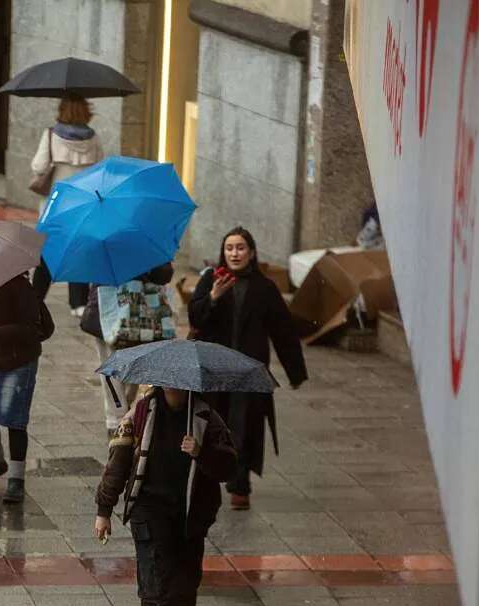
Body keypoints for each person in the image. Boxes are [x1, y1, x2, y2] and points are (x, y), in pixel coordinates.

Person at [94, 386, 237, 606]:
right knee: (156, 587)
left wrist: (201, 452)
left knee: (184, 587)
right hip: (149, 511)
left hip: (190, 517)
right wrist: (104, 510)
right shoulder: (139, 414)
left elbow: (229, 467)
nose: (173, 390)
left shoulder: (205, 417)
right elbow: (117, 461)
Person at [187, 226, 307, 510]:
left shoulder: (264, 288)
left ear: (251, 253)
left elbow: (283, 331)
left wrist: (295, 372)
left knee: (244, 427)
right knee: (214, 424)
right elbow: (195, 317)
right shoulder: (211, 279)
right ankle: (209, 476)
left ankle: (240, 485)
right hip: (215, 370)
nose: (234, 253)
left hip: (248, 372)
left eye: (240, 248)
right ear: (222, 252)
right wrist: (213, 297)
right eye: (229, 248)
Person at [0, 274, 54, 504]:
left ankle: (16, 479)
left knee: (15, 421)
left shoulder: (21, 287)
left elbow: (31, 330)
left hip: (19, 360)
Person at [29, 93, 104, 316]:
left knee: (48, 251)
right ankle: (78, 303)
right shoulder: (93, 138)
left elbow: (39, 166)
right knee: (79, 251)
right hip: (84, 204)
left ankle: (35, 298)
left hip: (56, 204)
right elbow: (100, 169)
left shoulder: (51, 135)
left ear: (62, 111)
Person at [80, 263, 177, 435]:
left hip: (141, 315)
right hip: (107, 311)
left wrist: (149, 266)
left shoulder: (148, 240)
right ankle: (117, 423)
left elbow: (164, 276)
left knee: (134, 370)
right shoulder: (103, 241)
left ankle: (126, 418)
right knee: (111, 370)